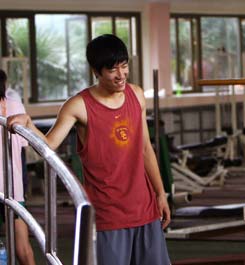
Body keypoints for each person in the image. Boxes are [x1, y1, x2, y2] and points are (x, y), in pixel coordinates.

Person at [7, 34, 171, 265]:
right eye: (113, 70)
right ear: (96, 71)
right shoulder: (79, 105)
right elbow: (49, 145)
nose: (121, 75)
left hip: (145, 209)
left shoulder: (136, 95)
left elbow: (145, 148)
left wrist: (160, 193)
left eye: (124, 67)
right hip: (108, 215)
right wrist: (28, 123)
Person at [0, 69, 35, 265]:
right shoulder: (14, 105)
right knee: (23, 247)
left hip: (11, 185)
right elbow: (23, 144)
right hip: (12, 185)